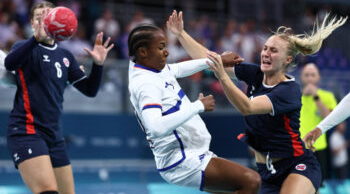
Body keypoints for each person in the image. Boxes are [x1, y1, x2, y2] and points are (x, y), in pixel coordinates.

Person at [167, 10, 346, 194]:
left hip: (297, 164)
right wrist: (181, 33)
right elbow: (209, 59)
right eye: (265, 48)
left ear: (288, 59)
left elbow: (247, 107)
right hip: (266, 172)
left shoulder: (288, 91)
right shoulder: (255, 74)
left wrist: (221, 75)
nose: (266, 53)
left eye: (273, 50)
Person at [128, 24, 261, 193]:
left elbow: (175, 69)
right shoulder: (145, 84)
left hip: (190, 153)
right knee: (251, 181)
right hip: (181, 161)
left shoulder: (151, 68)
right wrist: (197, 106)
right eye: (161, 47)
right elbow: (156, 127)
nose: (167, 52)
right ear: (143, 52)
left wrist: (216, 60)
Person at [4, 1, 114, 194]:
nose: (45, 21)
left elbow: (90, 90)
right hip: (27, 131)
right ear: (32, 23)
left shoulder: (66, 56)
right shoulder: (25, 47)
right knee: (48, 191)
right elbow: (10, 63)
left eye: (48, 17)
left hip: (54, 136)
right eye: (40, 18)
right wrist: (36, 39)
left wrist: (97, 65)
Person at [299, 62, 338, 184]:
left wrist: (315, 96)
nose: (310, 78)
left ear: (318, 77)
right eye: (307, 75)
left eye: (312, 75)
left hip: (318, 148)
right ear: (302, 77)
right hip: (297, 148)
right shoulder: (294, 96)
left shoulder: (327, 96)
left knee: (317, 186)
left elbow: (329, 118)